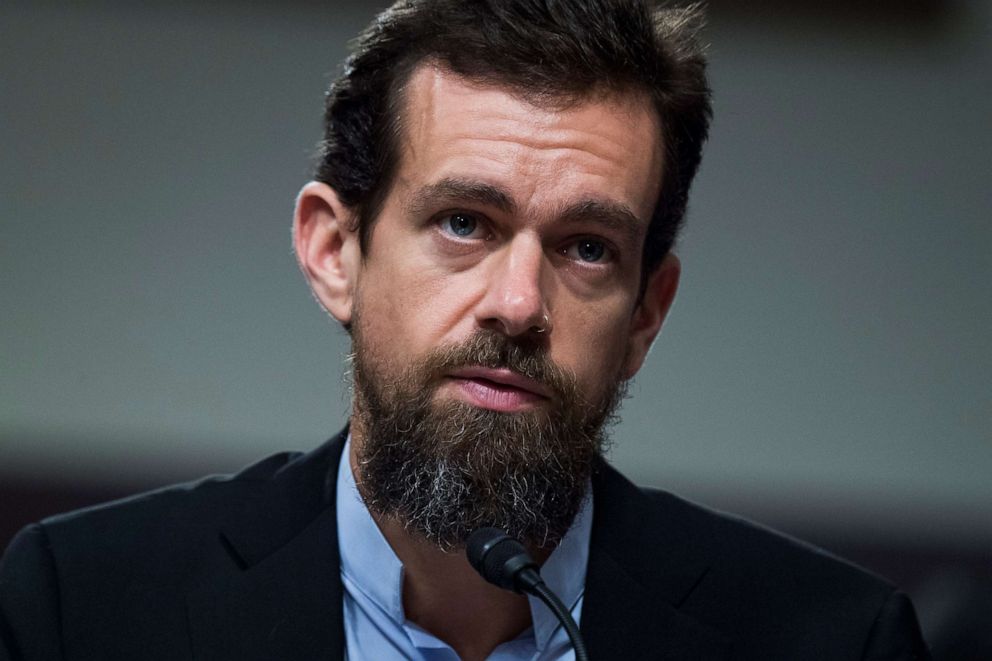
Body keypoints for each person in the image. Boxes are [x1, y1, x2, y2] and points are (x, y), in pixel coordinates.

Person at [0, 1, 930, 659]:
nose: (519, 304)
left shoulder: (835, 639)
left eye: (588, 247)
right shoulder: (80, 605)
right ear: (336, 252)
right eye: (464, 223)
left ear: (646, 313)